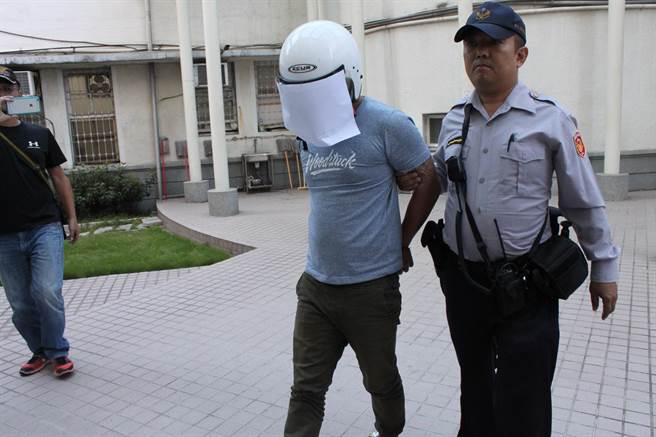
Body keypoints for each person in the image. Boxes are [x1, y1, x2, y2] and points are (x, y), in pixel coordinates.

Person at [400, 3, 619, 436]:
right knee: (475, 389)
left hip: (526, 287)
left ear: (520, 55)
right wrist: (400, 238)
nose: (479, 52)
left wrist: (604, 268)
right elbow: (433, 183)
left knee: (525, 399)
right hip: (465, 283)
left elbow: (583, 200)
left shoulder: (551, 119)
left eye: (492, 43)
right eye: (472, 45)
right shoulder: (454, 119)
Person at [277, 21, 438, 437]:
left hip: (371, 288)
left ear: (350, 78)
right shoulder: (307, 129)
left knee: (380, 383)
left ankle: (388, 432)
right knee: (306, 390)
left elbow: (429, 179)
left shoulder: (387, 123)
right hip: (316, 286)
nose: (315, 106)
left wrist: (402, 239)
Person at [0, 66, 80, 378]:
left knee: (47, 291)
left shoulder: (38, 134)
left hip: (44, 227)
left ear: (16, 93)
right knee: (20, 304)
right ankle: (40, 351)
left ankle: (58, 352)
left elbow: (58, 177)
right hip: (4, 235)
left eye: (4, 88)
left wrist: (72, 217)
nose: (0, 95)